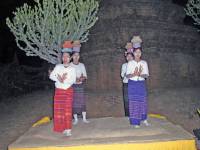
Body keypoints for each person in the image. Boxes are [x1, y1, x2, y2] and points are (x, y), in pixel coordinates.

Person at [49, 41, 76, 136]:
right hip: (58, 92)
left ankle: (68, 128)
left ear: (70, 58)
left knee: (67, 110)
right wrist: (58, 78)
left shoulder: (72, 69)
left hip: (68, 91)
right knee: (59, 110)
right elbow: (51, 76)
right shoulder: (58, 66)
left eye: (67, 57)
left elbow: (73, 80)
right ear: (62, 58)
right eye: (63, 57)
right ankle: (61, 128)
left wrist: (64, 80)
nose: (65, 58)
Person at [126, 36, 150, 128]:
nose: (137, 54)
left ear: (141, 53)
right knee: (134, 102)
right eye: (136, 52)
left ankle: (144, 119)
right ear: (133, 53)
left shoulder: (144, 63)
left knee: (142, 101)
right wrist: (134, 74)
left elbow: (146, 75)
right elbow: (127, 75)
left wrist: (140, 75)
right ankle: (136, 122)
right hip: (132, 84)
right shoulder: (130, 63)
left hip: (141, 84)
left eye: (139, 52)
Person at [70, 40, 89, 125]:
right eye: (75, 55)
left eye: (78, 55)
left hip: (80, 85)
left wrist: (81, 78)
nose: (76, 57)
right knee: (74, 102)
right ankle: (76, 119)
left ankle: (84, 118)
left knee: (82, 101)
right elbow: (69, 77)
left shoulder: (82, 65)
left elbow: (85, 76)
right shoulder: (70, 65)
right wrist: (75, 79)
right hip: (73, 86)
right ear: (72, 57)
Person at [121, 43, 134, 116]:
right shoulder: (124, 65)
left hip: (134, 83)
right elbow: (122, 75)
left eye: (130, 56)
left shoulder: (135, 64)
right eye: (127, 56)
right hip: (126, 84)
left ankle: (134, 114)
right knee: (126, 100)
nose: (129, 58)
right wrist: (128, 75)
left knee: (134, 99)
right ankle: (127, 115)